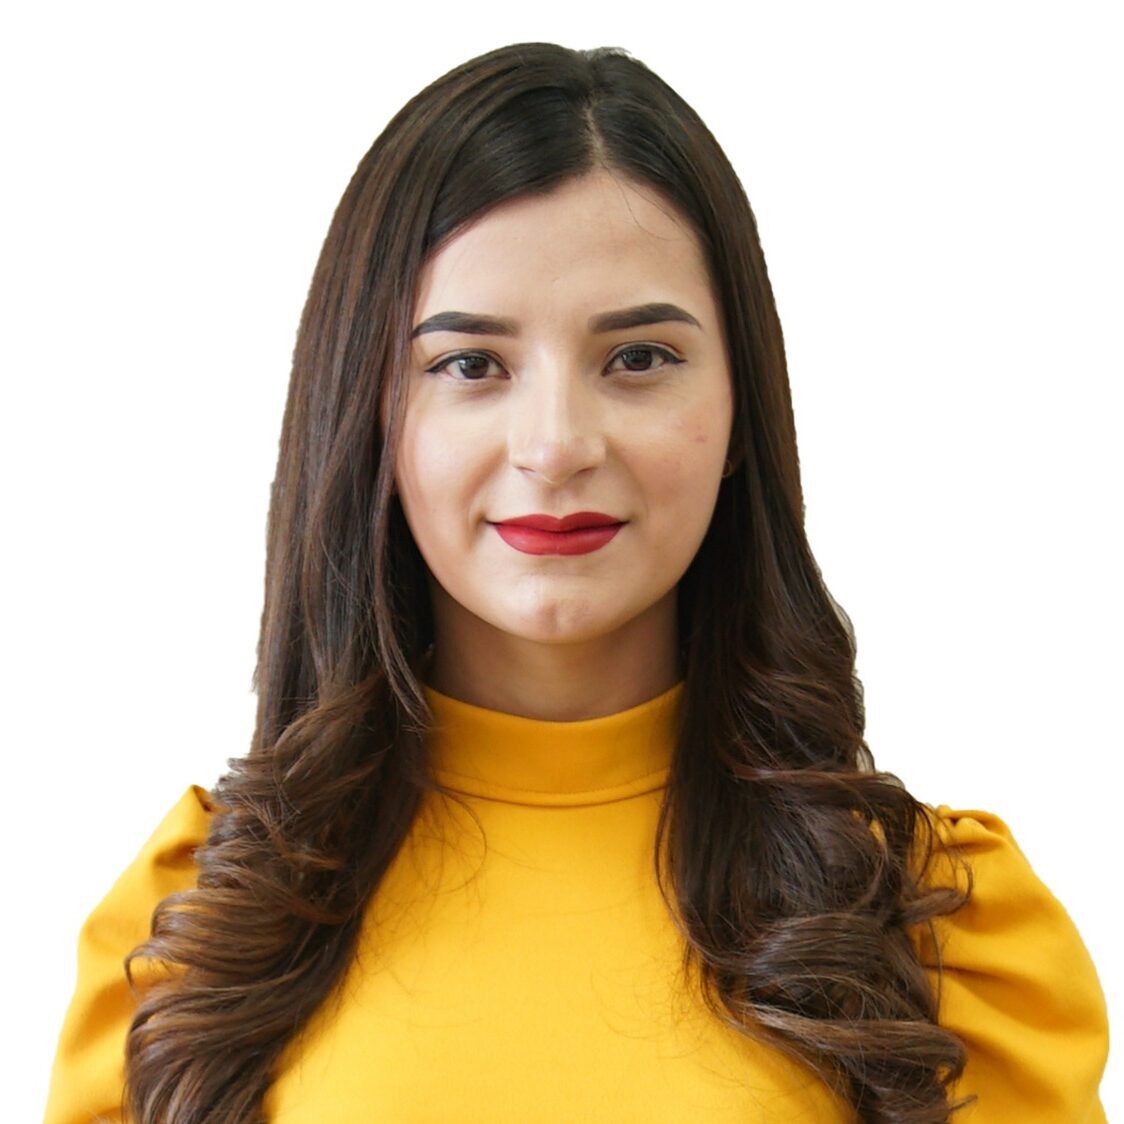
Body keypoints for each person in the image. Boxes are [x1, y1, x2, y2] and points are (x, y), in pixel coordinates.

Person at [44, 42, 1108, 1124]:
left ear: (741, 412)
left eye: (638, 358)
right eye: (469, 365)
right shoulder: (193, 933)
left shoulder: (942, 933)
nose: (555, 446)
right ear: (370, 416)